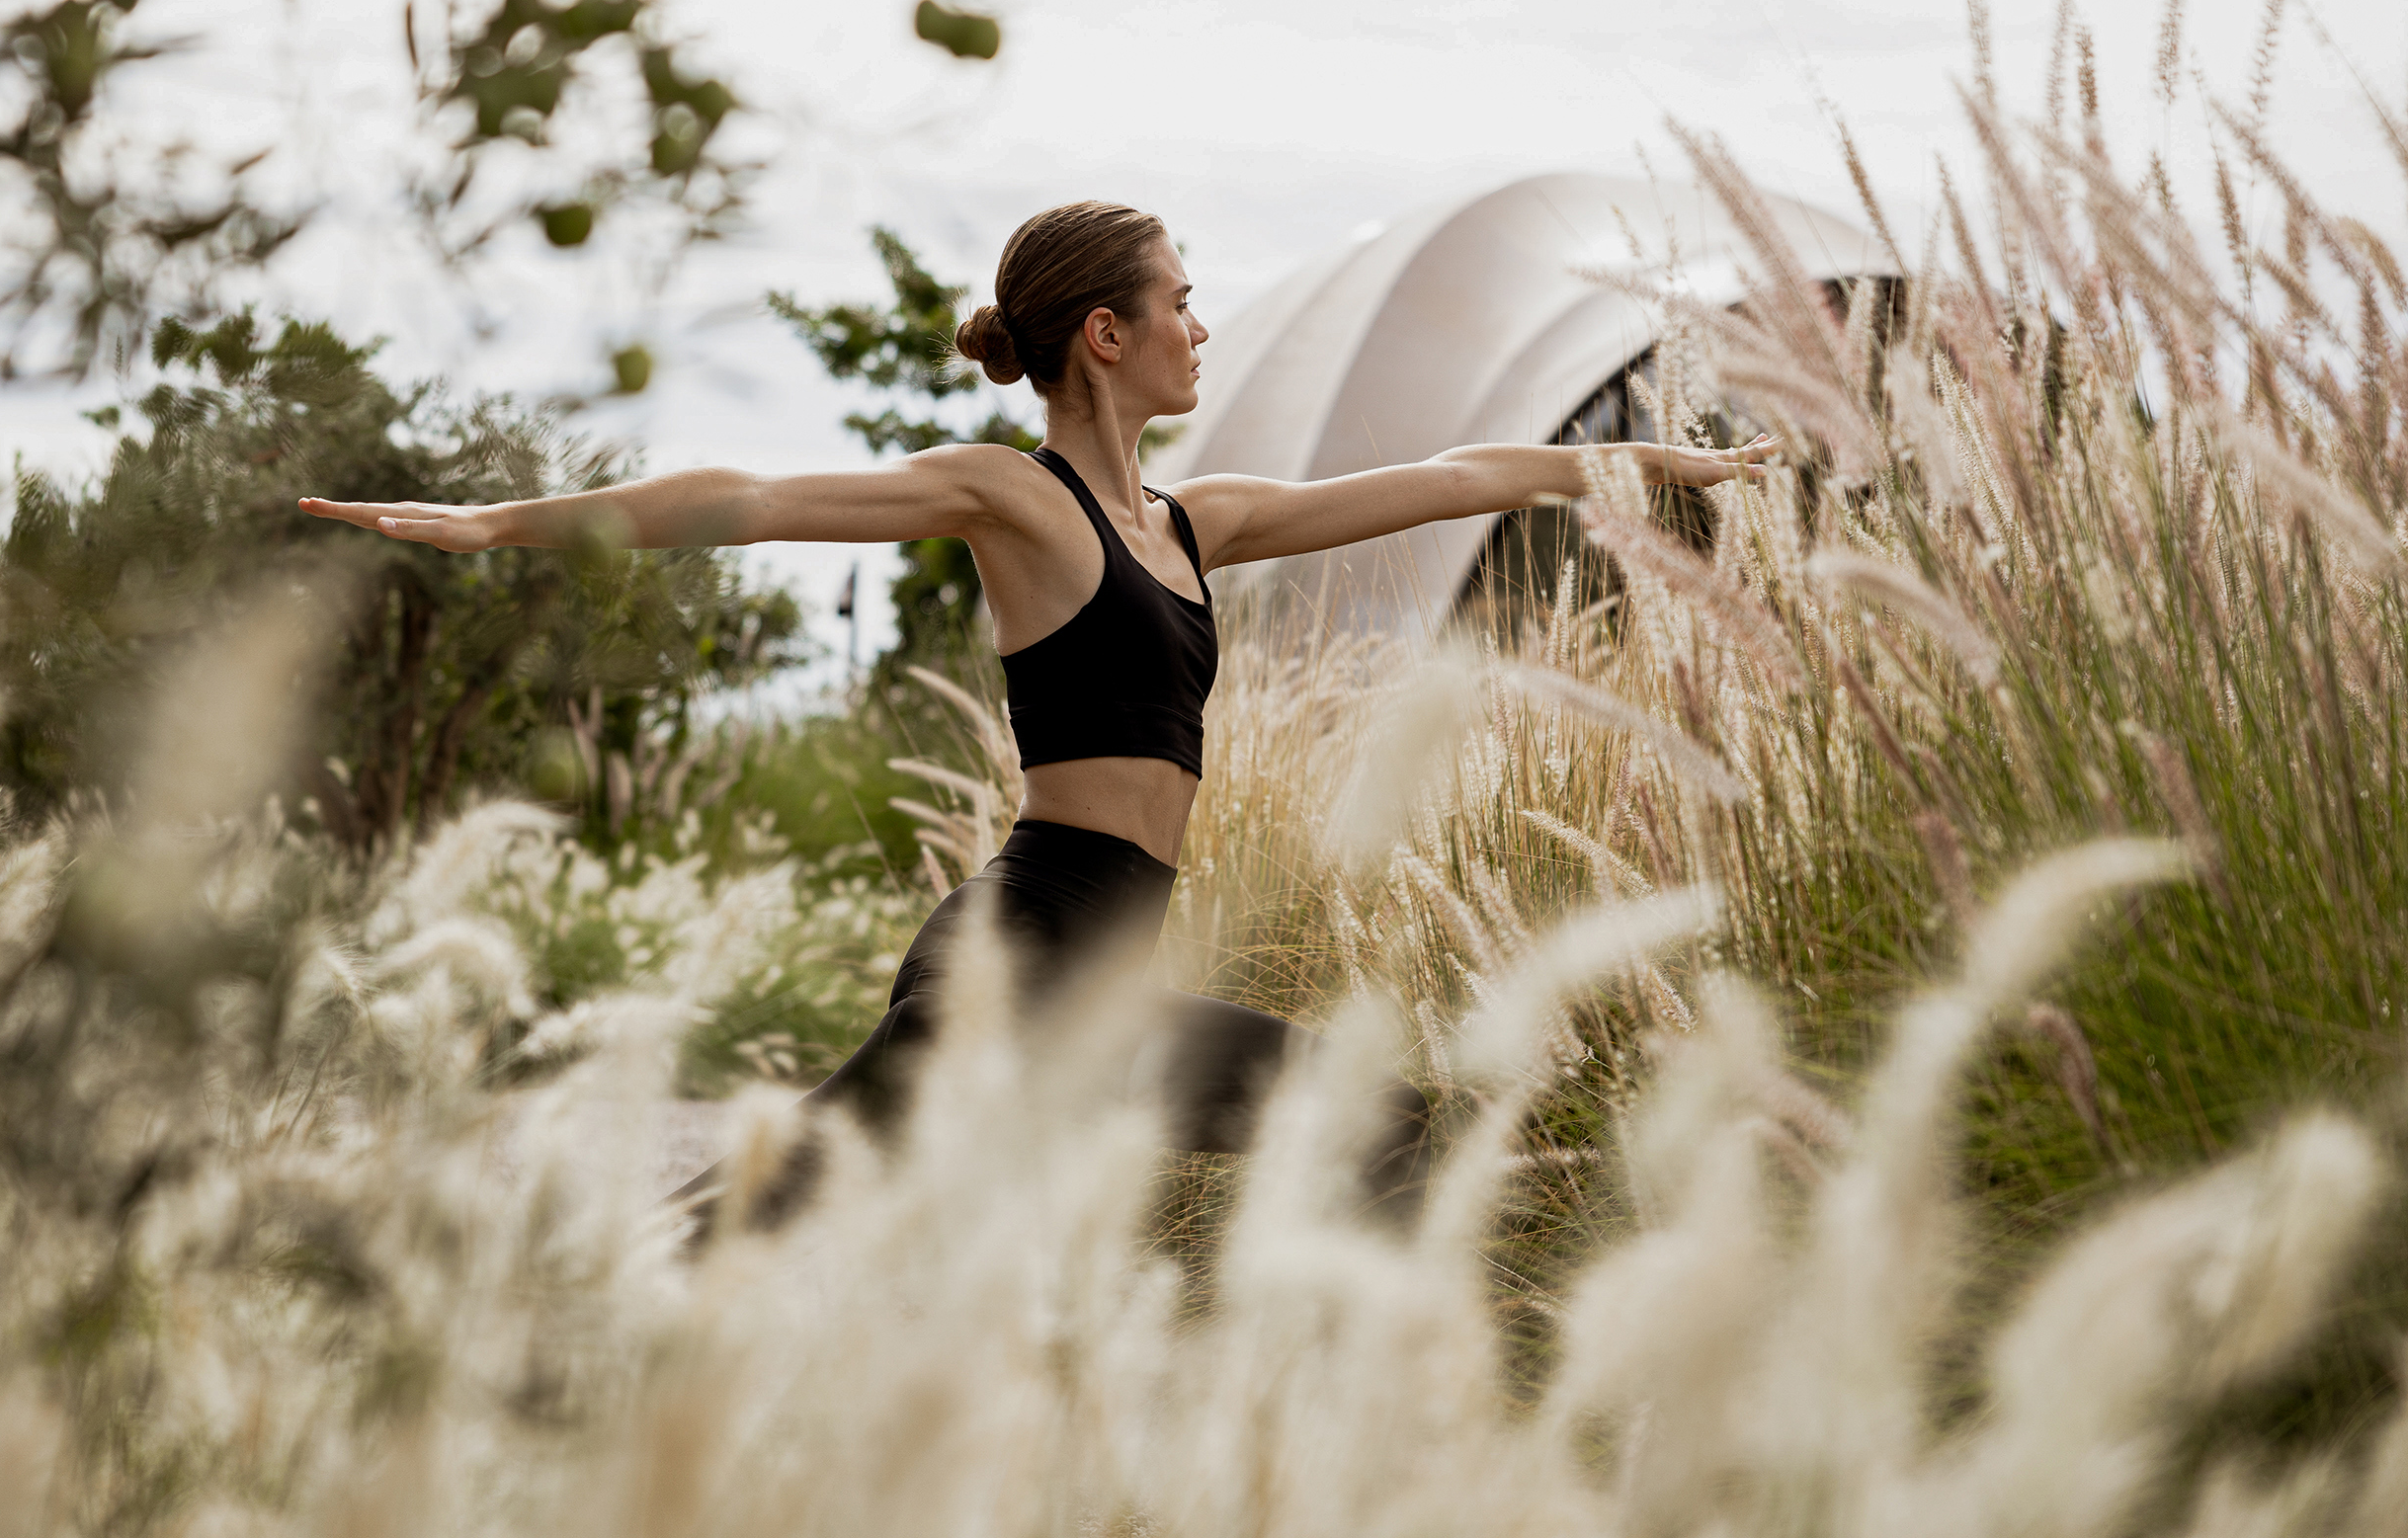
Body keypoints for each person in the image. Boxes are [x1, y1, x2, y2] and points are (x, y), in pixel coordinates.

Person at [301, 201, 1775, 1234]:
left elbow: (1464, 477)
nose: (1202, 323)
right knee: (747, 1225)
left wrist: (1655, 464)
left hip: (1101, 977)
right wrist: (496, 524)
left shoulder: (1200, 523)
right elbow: (748, 499)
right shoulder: (1016, 495)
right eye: (1181, 299)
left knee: (1371, 1125)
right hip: (1012, 965)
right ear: (1105, 333)